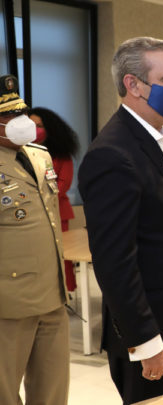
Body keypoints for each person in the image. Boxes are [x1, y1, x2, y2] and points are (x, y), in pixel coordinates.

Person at [78, 37, 163, 404]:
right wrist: (145, 341)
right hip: (151, 334)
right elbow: (114, 261)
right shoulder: (113, 154)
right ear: (133, 85)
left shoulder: (156, 139)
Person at [0, 74, 70, 405]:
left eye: (21, 112)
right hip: (9, 302)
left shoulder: (41, 156)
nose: (20, 121)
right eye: (8, 115)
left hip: (52, 294)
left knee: (53, 391)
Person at [30, 107, 79, 292]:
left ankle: (66, 291)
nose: (35, 130)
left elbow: (63, 185)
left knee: (61, 254)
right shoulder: (20, 152)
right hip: (30, 214)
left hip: (57, 211)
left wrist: (37, 196)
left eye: (39, 126)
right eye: (31, 126)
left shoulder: (61, 154)